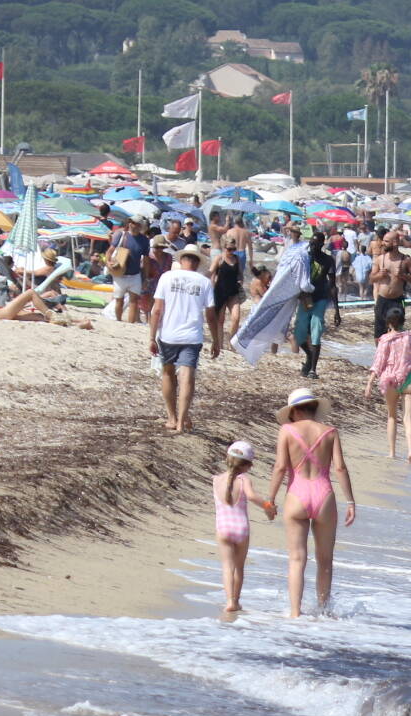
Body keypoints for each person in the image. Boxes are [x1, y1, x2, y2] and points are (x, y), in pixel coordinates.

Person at [264, 388, 356, 619]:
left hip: (297, 495)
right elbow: (340, 468)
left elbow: (280, 467)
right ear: (314, 409)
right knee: (325, 559)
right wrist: (351, 501)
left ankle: (295, 612)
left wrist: (270, 500)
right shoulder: (330, 431)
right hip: (324, 494)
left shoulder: (286, 430)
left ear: (293, 411)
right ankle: (323, 609)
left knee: (297, 558)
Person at [148, 246, 214, 434]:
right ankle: (181, 421)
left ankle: (172, 417)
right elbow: (210, 315)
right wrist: (217, 340)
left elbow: (157, 310)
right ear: (197, 262)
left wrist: (152, 337)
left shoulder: (167, 277)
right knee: (187, 377)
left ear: (182, 259)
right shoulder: (204, 282)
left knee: (168, 373)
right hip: (192, 336)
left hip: (169, 334)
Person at [212, 440, 276, 612]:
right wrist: (268, 507)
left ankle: (229, 601)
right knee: (239, 567)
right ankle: (236, 600)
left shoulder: (216, 479)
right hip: (241, 529)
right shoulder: (243, 480)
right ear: (248, 465)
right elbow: (253, 497)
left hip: (223, 529)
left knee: (227, 566)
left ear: (227, 459)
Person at [368, 308, 411, 462]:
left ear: (389, 322)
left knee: (392, 416)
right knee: (408, 418)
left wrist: (369, 384)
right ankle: (410, 451)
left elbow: (378, 364)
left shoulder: (384, 339)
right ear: (402, 320)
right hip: (409, 379)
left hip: (390, 379)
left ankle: (392, 452)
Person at [294, 225, 343, 378]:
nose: (313, 246)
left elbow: (333, 286)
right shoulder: (304, 257)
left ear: (322, 245)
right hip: (305, 299)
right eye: (311, 243)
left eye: (316, 244)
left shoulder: (328, 260)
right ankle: (309, 355)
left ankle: (313, 370)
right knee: (299, 334)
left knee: (316, 331)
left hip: (320, 298)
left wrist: (336, 310)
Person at [370, 238, 411, 337]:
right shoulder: (380, 259)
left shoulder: (406, 260)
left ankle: (395, 351)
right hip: (382, 299)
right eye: (383, 240)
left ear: (395, 242)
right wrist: (379, 275)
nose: (383, 243)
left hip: (398, 300)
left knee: (397, 331)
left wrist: (403, 276)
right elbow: (371, 279)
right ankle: (381, 351)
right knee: (379, 332)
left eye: (386, 241)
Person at [106, 219, 149, 323]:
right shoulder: (121, 235)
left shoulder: (144, 240)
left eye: (137, 224)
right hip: (120, 273)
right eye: (132, 223)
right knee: (119, 300)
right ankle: (119, 320)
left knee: (134, 301)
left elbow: (146, 260)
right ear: (129, 224)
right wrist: (108, 263)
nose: (134, 225)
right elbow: (110, 251)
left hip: (135, 274)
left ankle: (130, 324)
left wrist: (145, 277)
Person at [209, 236, 244, 360]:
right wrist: (210, 286)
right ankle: (219, 343)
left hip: (233, 292)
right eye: (229, 249)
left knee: (236, 317)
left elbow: (240, 274)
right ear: (224, 248)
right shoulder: (219, 258)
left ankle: (231, 342)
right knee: (220, 319)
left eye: (233, 249)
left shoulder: (237, 259)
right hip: (220, 291)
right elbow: (211, 272)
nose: (231, 251)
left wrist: (241, 281)